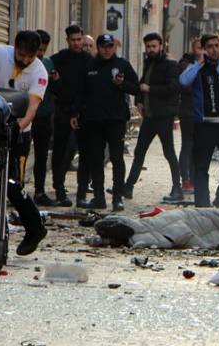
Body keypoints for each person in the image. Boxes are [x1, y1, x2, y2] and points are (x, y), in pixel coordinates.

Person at [0, 30, 50, 256]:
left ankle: (35, 228)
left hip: (18, 133)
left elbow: (33, 107)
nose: (25, 60)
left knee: (12, 185)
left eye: (30, 56)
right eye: (21, 54)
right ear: (14, 47)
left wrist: (18, 127)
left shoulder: (39, 71)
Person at [74, 33, 138, 211]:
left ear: (114, 47)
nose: (106, 50)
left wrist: (122, 84)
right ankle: (99, 197)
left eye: (110, 47)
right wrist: (75, 113)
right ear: (98, 48)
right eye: (103, 47)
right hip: (93, 120)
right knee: (96, 159)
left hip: (116, 119)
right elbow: (80, 92)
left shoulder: (122, 65)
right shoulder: (90, 65)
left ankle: (117, 197)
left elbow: (136, 87)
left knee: (117, 158)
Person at [180, 33, 219, 208]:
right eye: (210, 46)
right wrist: (199, 63)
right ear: (204, 49)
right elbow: (183, 81)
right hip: (205, 125)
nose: (215, 50)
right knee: (201, 166)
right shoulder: (197, 68)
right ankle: (202, 205)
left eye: (217, 45)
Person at [124, 32, 183, 202]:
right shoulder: (149, 63)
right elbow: (142, 84)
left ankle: (177, 188)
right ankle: (128, 187)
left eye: (154, 46)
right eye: (148, 46)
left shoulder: (170, 65)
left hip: (163, 116)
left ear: (161, 46)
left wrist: (150, 90)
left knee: (169, 153)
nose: (151, 49)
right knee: (139, 151)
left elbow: (173, 88)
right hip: (150, 117)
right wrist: (140, 101)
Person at [48, 25, 88, 207]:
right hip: (63, 111)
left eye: (79, 39)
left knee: (85, 153)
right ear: (67, 40)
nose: (77, 43)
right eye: (73, 40)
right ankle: (59, 188)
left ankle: (81, 192)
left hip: (83, 112)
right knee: (61, 152)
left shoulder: (89, 60)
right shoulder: (58, 59)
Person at [31, 30, 56, 204]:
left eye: (43, 50)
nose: (40, 53)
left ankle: (39, 191)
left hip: (44, 116)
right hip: (25, 116)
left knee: (41, 156)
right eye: (38, 49)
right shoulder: (24, 63)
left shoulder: (48, 64)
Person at [178, 37, 205, 194]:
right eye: (198, 48)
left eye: (203, 48)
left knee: (198, 147)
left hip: (201, 113)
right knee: (187, 145)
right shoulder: (185, 64)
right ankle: (185, 179)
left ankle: (195, 179)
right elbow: (186, 85)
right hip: (188, 111)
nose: (201, 51)